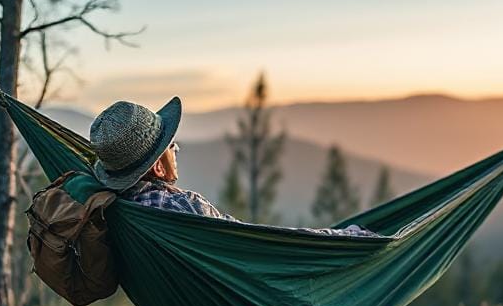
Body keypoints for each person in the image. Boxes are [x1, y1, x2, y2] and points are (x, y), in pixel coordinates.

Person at [89, 98, 376, 237]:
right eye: (171, 145)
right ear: (160, 170)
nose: (177, 150)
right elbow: (262, 245)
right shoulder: (184, 208)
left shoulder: (116, 207)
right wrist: (346, 238)